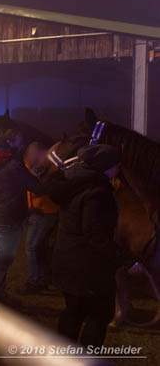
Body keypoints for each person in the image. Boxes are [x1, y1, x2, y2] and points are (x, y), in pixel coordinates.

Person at [45, 144, 136, 347]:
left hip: (68, 263)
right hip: (89, 270)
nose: (118, 169)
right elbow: (95, 236)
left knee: (73, 313)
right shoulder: (97, 192)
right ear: (105, 166)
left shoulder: (73, 182)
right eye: (116, 165)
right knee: (98, 315)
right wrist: (126, 260)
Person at [0, 128, 44, 301]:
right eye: (19, 140)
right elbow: (37, 187)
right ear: (10, 143)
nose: (23, 143)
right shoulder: (15, 165)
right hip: (10, 220)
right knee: (3, 261)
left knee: (1, 258)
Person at [19, 142, 58, 295]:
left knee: (32, 247)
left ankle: (34, 281)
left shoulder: (45, 169)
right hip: (35, 212)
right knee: (39, 247)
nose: (32, 155)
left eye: (35, 152)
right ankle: (42, 279)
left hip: (43, 212)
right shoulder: (28, 167)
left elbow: (39, 189)